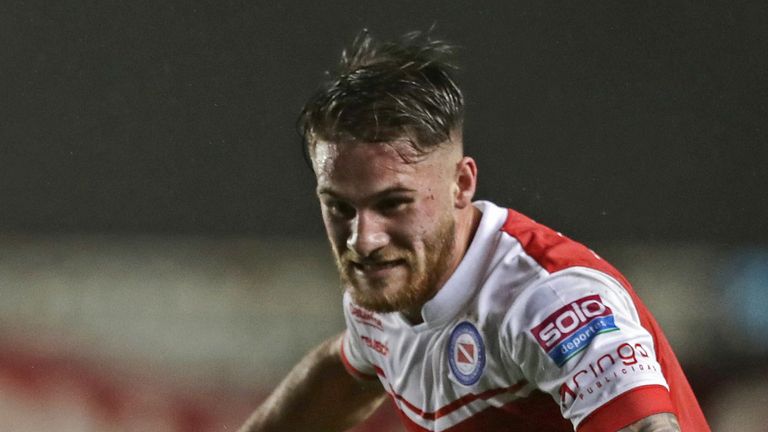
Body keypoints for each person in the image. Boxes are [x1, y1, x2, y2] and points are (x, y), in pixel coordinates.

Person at [238, 31, 710, 432]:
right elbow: (347, 370)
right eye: (339, 207)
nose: (364, 240)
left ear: (461, 184)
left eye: (394, 204)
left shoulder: (549, 298)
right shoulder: (384, 293)